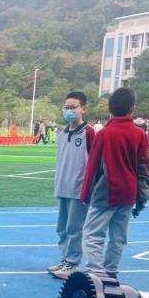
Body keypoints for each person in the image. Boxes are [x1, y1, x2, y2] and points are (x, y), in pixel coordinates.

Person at [80, 87, 149, 278]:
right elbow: (144, 169)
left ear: (109, 109)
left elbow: (93, 167)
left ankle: (96, 273)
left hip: (105, 192)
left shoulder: (104, 133)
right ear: (132, 108)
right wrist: (143, 197)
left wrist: (86, 195)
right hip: (128, 193)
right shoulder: (140, 134)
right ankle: (111, 272)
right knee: (118, 236)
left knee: (93, 233)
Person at [47, 92, 96, 279]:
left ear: (83, 108)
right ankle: (65, 259)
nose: (69, 111)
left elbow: (95, 161)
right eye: (66, 107)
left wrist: (90, 187)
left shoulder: (89, 133)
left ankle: (72, 263)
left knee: (74, 229)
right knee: (62, 228)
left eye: (73, 107)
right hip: (62, 186)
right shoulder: (62, 133)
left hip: (79, 189)